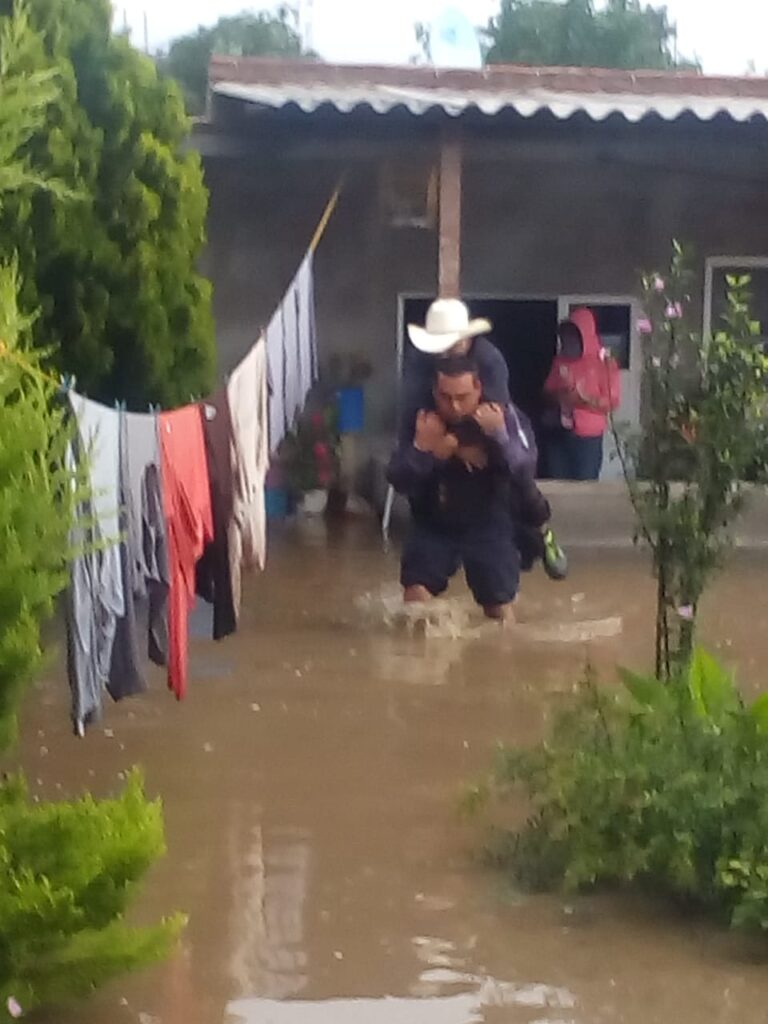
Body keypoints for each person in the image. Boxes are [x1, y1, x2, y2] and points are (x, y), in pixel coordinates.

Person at [402, 297, 567, 580]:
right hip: (438, 438)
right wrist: (443, 448)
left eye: (448, 345)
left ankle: (540, 528)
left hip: (484, 432)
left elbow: (492, 413)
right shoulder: (420, 362)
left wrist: (454, 442)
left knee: (516, 471)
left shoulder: (490, 361)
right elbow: (412, 412)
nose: (442, 353)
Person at [387, 355, 538, 621]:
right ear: (434, 391)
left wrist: (499, 436)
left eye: (462, 397)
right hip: (433, 518)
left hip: (488, 518)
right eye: (445, 397)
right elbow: (398, 478)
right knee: (415, 599)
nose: (454, 406)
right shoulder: (421, 419)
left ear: (478, 388)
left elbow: (525, 467)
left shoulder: (503, 415)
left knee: (498, 606)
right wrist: (424, 450)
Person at [543, 308, 621, 481]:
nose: (568, 340)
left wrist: (583, 399)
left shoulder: (605, 364)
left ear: (584, 335)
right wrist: (560, 396)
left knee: (585, 485)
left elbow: (612, 401)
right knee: (558, 484)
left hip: (588, 437)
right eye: (565, 336)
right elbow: (547, 392)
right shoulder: (560, 361)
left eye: (573, 335)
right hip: (559, 431)